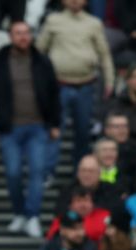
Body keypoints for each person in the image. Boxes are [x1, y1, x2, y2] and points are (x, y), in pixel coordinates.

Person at [0, 20, 60, 237]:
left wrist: (55, 124)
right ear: (11, 36)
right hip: (9, 128)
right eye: (18, 33)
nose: (23, 37)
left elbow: (54, 93)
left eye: (26, 33)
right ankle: (19, 213)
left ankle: (32, 215)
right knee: (13, 173)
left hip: (38, 127)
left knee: (37, 172)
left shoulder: (42, 61)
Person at [36, 0, 114, 170]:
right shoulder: (53, 21)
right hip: (58, 85)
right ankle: (47, 172)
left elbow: (104, 55)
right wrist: (38, 83)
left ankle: (81, 172)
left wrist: (109, 80)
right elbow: (39, 52)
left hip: (86, 85)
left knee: (83, 133)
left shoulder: (94, 23)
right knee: (54, 130)